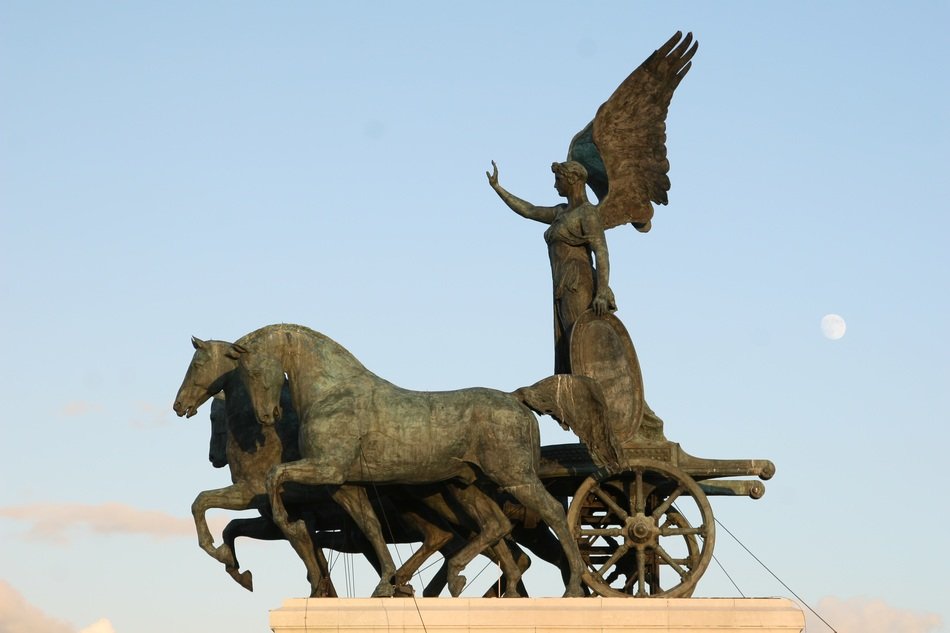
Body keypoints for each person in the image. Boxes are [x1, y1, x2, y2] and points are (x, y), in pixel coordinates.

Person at [487, 160, 616, 374]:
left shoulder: (587, 213)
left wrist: (602, 292)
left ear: (573, 179)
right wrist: (499, 188)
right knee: (568, 340)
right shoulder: (560, 212)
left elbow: (601, 252)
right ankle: (579, 386)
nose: (555, 185)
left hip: (578, 281)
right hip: (562, 283)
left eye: (558, 180)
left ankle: (591, 387)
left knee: (579, 339)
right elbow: (529, 210)